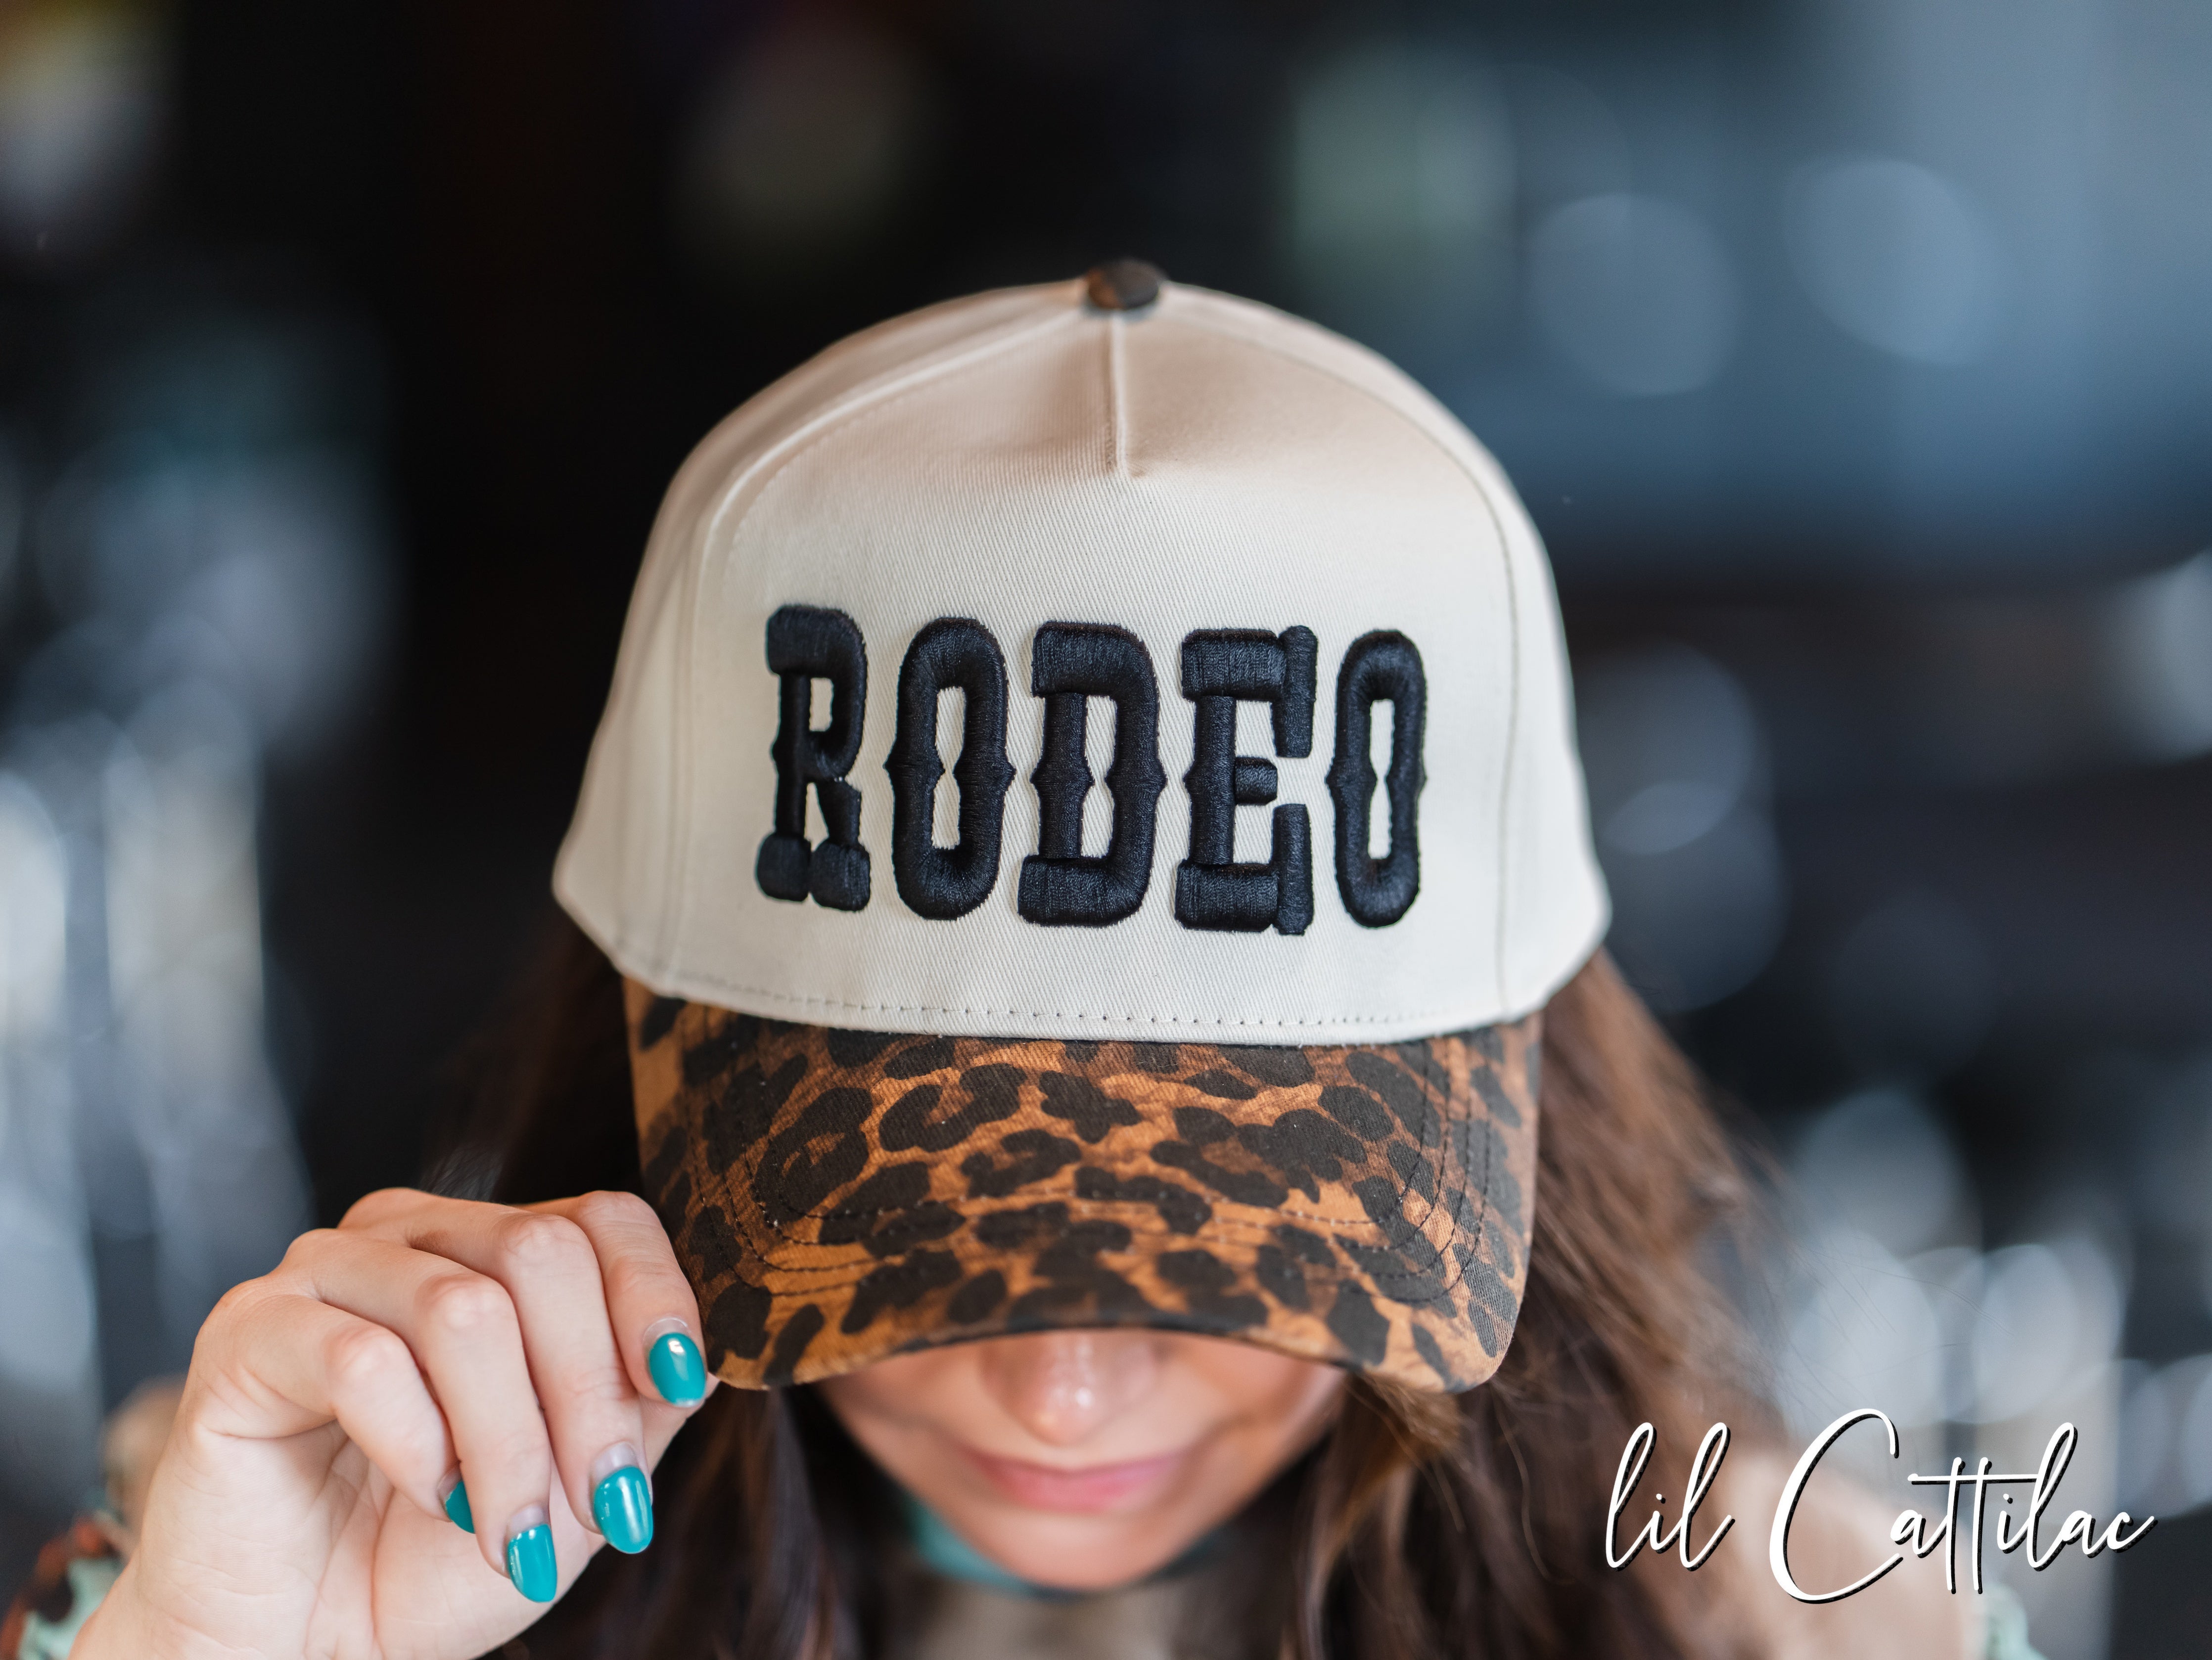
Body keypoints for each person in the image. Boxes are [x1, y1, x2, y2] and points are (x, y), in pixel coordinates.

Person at [64, 265, 1984, 1660]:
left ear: (1530, 1113)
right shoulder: (278, 1543)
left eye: (1234, 1237)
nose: (1060, 1399)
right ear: (642, 1081)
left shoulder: (1790, 1616)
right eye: (917, 1228)